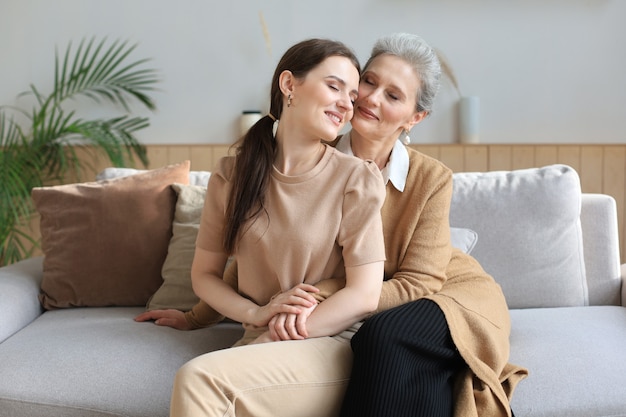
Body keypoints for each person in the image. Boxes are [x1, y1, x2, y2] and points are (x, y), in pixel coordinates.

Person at [137, 33, 527, 417]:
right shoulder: (306, 149)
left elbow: (417, 282)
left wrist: (314, 297)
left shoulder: (424, 178)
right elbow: (261, 248)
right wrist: (199, 316)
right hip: (341, 307)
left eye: (392, 96)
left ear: (415, 118)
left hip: (437, 294)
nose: (368, 99)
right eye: (368, 83)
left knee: (386, 341)